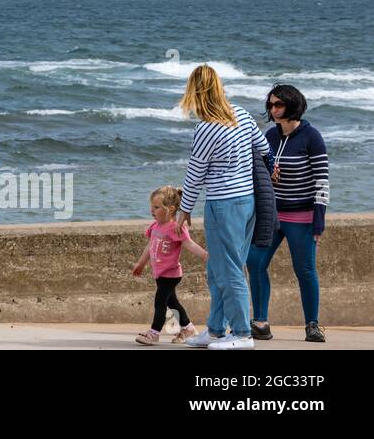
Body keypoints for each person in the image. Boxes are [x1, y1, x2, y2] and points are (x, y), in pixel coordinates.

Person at [172, 64, 273, 350]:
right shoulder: (240, 113)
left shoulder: (205, 127)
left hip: (224, 204)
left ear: (194, 91)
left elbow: (196, 172)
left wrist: (185, 209)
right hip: (248, 201)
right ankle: (216, 330)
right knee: (220, 269)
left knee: (228, 270)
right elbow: (264, 148)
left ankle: (242, 333)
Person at [247, 84, 329, 343]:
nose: (273, 109)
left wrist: (318, 221)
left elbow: (322, 181)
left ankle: (312, 325)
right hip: (272, 215)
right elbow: (258, 174)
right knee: (255, 262)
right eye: (271, 105)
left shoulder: (311, 136)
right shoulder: (270, 136)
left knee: (304, 270)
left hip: (302, 217)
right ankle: (260, 322)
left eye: (278, 105)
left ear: (292, 106)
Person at [131, 185, 208, 345]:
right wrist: (141, 262)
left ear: (171, 209)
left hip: (171, 274)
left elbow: (190, 244)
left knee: (160, 302)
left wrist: (206, 256)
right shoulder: (155, 226)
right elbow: (150, 246)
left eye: (157, 207)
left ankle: (154, 333)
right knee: (172, 302)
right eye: (152, 207)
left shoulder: (175, 227)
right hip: (160, 273)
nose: (152, 210)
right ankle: (188, 328)